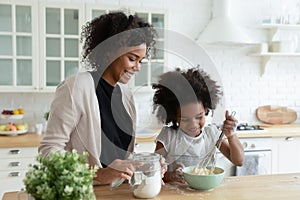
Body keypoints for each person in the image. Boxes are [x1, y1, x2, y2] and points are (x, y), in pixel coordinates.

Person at [39, 11, 166, 185]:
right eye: (132, 59)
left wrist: (146, 164)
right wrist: (98, 174)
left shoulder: (125, 94)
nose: (137, 68)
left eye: (140, 61)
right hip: (84, 192)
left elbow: (119, 156)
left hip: (118, 192)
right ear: (109, 52)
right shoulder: (76, 87)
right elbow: (48, 151)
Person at [152, 67, 244, 183]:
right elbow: (154, 170)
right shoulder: (168, 136)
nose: (193, 124)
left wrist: (232, 136)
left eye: (199, 117)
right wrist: (171, 176)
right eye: (185, 119)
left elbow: (238, 161)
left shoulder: (212, 134)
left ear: (206, 109)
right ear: (174, 116)